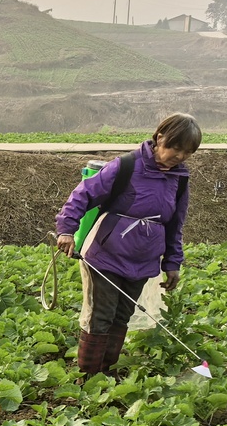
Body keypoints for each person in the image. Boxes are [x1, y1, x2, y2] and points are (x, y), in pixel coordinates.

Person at [56, 112, 202, 376]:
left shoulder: (179, 179)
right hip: (107, 254)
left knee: (122, 315)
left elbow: (174, 225)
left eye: (188, 152)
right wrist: (67, 229)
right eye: (176, 148)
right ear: (160, 138)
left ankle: (107, 371)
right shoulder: (126, 166)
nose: (180, 156)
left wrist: (172, 263)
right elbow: (84, 194)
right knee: (101, 315)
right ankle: (89, 376)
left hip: (143, 260)